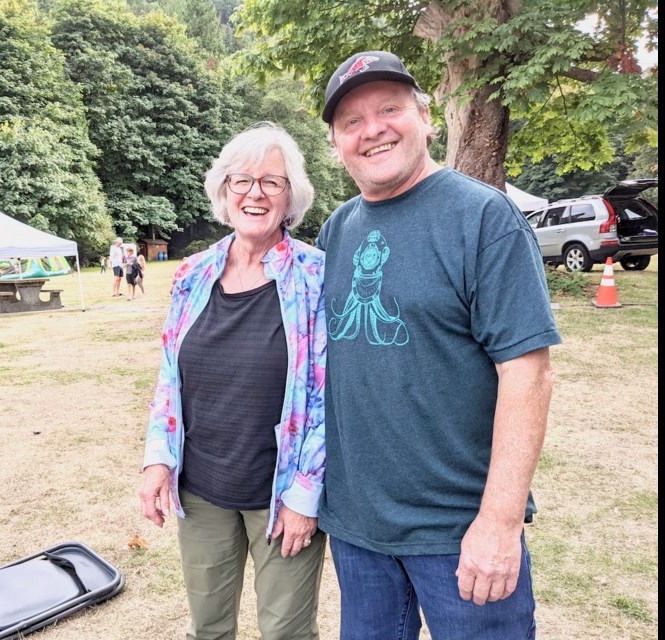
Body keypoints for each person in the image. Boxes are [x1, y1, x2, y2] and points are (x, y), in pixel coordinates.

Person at [315, 51, 561, 640]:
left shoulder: (484, 218)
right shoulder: (336, 229)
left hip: (459, 533)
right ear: (336, 143)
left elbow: (528, 374)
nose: (372, 129)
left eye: (390, 109)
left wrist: (499, 522)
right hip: (359, 531)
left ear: (427, 117)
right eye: (352, 121)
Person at [139, 122, 327, 640]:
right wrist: (158, 457)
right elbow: (169, 378)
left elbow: (328, 397)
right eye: (241, 180)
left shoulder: (316, 277)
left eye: (273, 182)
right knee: (209, 629)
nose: (255, 193)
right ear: (224, 190)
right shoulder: (192, 274)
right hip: (200, 488)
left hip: (281, 490)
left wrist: (305, 495)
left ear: (291, 197)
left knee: (286, 632)